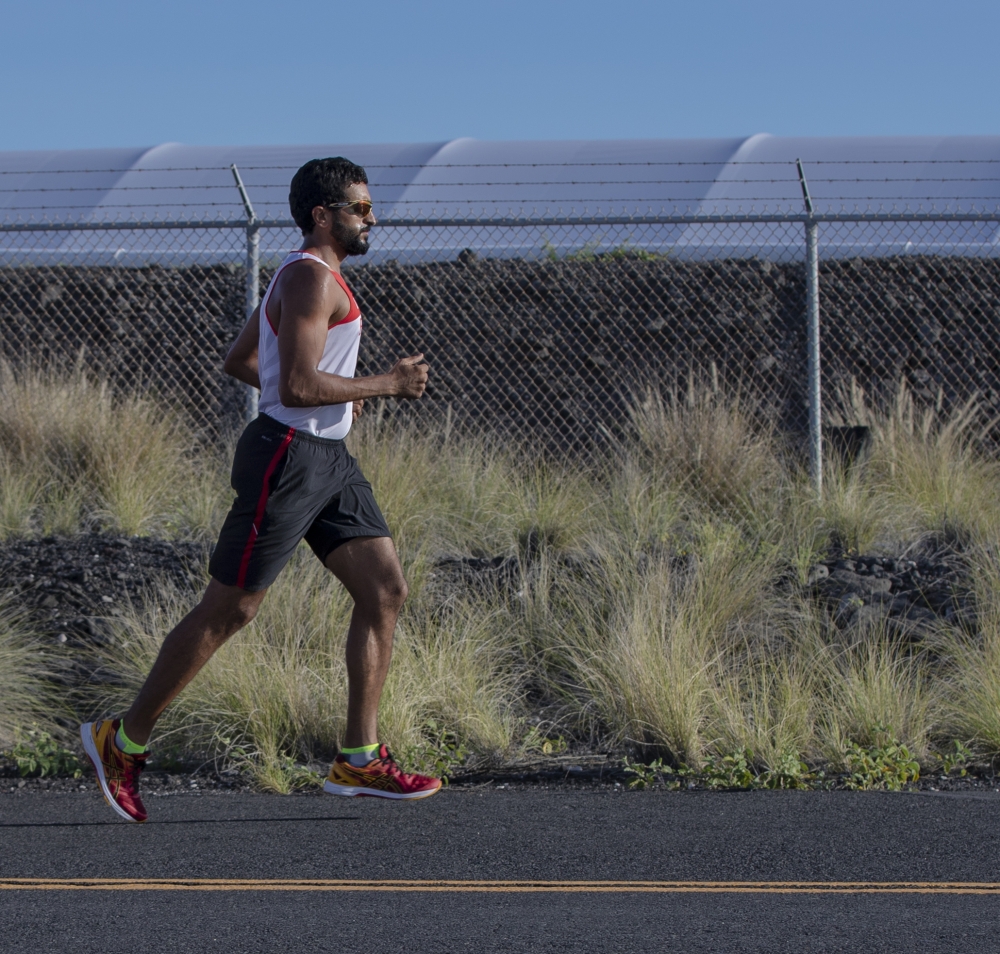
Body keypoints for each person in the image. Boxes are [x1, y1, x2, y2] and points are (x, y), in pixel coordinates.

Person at [81, 157, 441, 822]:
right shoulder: (308, 277)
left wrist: (342, 399)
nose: (372, 218)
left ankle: (358, 759)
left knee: (385, 589)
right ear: (323, 215)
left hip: (328, 460)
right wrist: (384, 385)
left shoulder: (307, 276)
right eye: (361, 208)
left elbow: (243, 361)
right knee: (232, 610)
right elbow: (295, 386)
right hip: (287, 458)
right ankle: (121, 741)